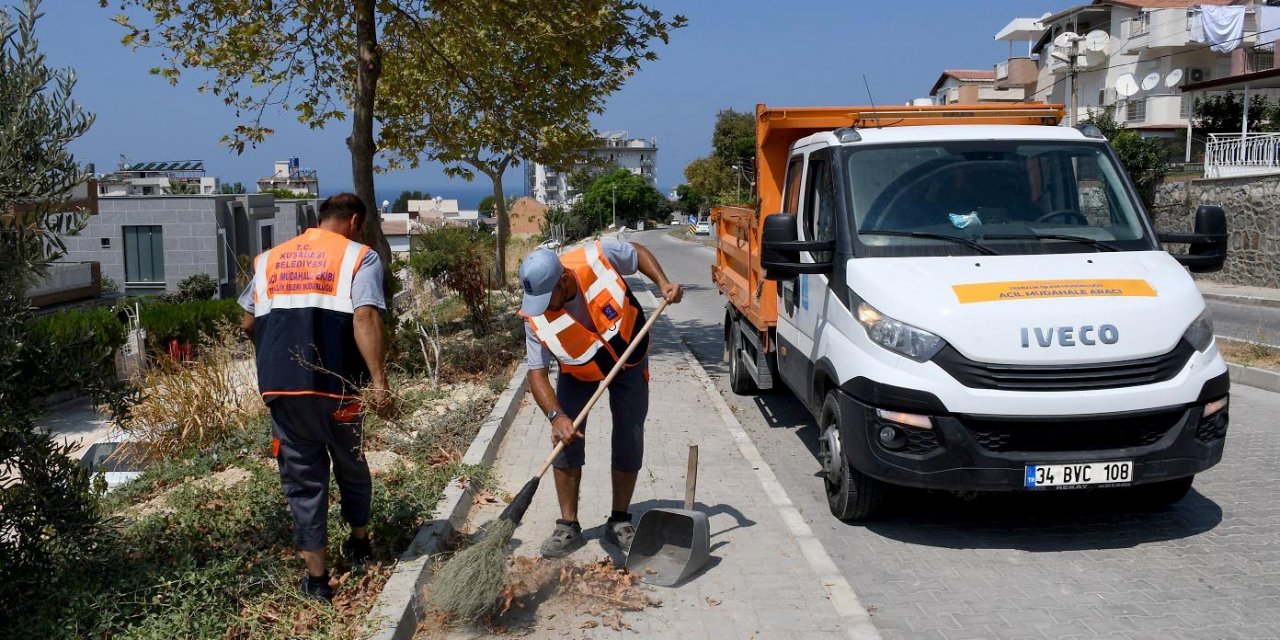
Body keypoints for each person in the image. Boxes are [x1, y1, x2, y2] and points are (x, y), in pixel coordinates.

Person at [238, 192, 396, 602]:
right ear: (356, 221)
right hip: (337, 387)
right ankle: (359, 542)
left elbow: (247, 321)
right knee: (351, 463)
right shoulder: (360, 256)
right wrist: (379, 381)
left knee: (304, 482)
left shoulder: (269, 259)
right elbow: (365, 315)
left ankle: (316, 580)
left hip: (282, 391)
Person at [518, 239, 682, 558]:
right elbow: (536, 374)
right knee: (564, 441)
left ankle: (619, 520)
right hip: (578, 373)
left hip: (629, 361)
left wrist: (663, 283)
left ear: (563, 279)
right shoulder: (534, 317)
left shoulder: (595, 256)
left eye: (544, 297)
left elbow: (637, 252)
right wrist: (557, 417)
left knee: (629, 436)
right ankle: (568, 526)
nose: (538, 306)